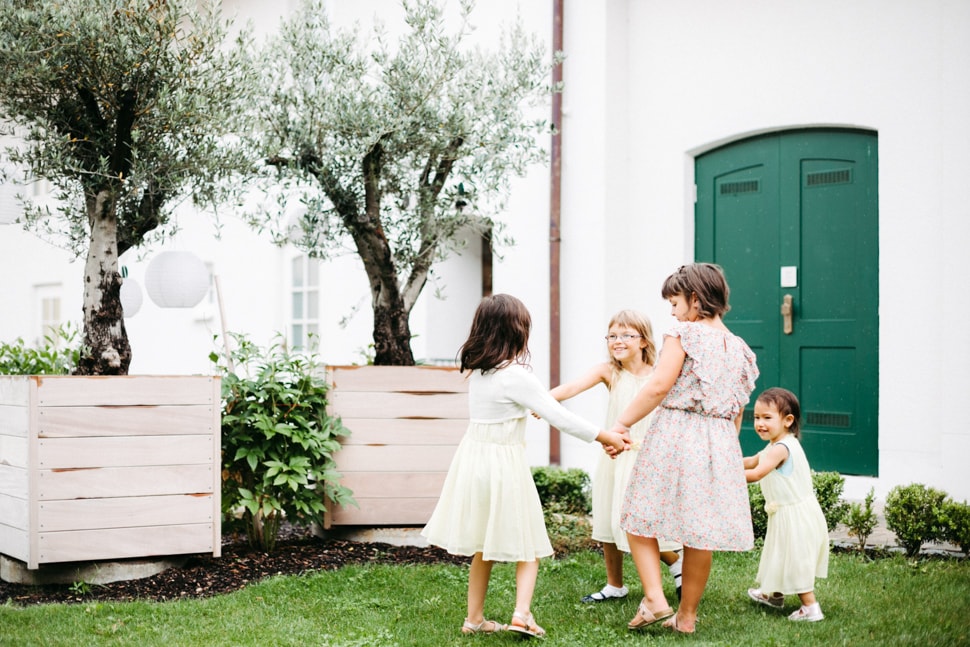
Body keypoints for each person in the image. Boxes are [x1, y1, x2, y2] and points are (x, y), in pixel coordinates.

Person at [421, 294, 630, 638]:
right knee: (529, 543)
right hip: (503, 463)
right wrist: (606, 436)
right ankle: (521, 614)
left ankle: (474, 619)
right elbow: (560, 417)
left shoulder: (481, 373)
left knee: (481, 544)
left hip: (473, 461)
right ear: (518, 331)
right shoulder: (516, 376)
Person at [609, 263, 759, 634]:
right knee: (699, 531)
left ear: (695, 300)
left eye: (674, 302)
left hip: (679, 433)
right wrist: (725, 449)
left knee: (637, 516)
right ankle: (686, 617)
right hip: (721, 440)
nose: (672, 312)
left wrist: (621, 423)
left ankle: (656, 600)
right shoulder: (740, 348)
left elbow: (660, 385)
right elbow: (738, 408)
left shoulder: (683, 333)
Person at [548, 310, 683, 604]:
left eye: (626, 335)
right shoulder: (608, 372)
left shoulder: (660, 375)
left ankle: (674, 561)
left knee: (642, 523)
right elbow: (572, 387)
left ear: (644, 341)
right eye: (612, 336)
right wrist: (545, 401)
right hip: (614, 456)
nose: (617, 341)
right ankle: (615, 585)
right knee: (610, 520)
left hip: (648, 459)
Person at [744, 387, 828, 622]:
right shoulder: (776, 444)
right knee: (779, 555)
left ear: (788, 420)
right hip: (788, 513)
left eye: (767, 418)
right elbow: (752, 461)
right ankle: (774, 594)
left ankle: (811, 607)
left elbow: (757, 472)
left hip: (795, 516)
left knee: (794, 560)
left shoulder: (782, 448)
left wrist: (724, 474)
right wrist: (725, 461)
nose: (760, 423)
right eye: (756, 417)